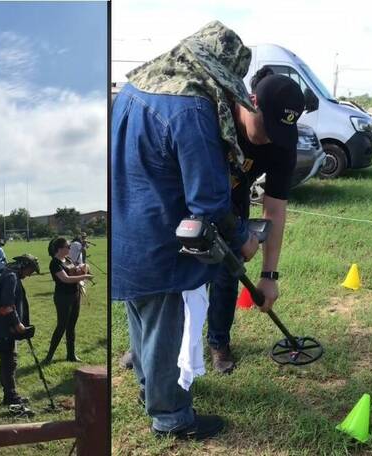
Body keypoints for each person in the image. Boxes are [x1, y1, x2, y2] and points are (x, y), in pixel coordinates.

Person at [112, 21, 261, 440]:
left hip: (127, 234)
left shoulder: (131, 90)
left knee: (141, 322)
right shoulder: (191, 109)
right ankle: (171, 417)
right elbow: (209, 202)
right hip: (161, 239)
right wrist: (242, 239)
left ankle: (147, 390)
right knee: (164, 328)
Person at [206, 67, 304, 374]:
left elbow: (274, 209)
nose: (267, 138)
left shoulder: (281, 142)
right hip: (191, 199)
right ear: (251, 101)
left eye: (278, 130)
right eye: (266, 125)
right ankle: (148, 345)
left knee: (227, 274)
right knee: (177, 274)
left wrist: (269, 276)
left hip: (234, 203)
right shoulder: (211, 117)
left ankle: (218, 342)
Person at [0, 254, 39, 409]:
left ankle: (10, 394)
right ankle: (11, 396)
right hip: (5, 326)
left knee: (8, 360)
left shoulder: (9, 274)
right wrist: (17, 323)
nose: (29, 275)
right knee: (9, 361)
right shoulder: (11, 277)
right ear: (23, 266)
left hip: (4, 326)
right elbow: (7, 304)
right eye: (30, 271)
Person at [43, 238, 93, 364]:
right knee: (61, 326)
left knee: (71, 326)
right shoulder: (55, 263)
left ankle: (71, 355)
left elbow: (74, 272)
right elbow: (65, 279)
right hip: (63, 297)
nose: (70, 248)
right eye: (68, 246)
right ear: (60, 248)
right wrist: (85, 276)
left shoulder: (68, 259)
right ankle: (49, 356)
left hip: (75, 295)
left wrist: (83, 268)